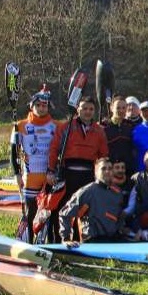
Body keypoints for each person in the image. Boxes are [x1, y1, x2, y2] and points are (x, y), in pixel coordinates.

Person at [47, 96, 109, 241]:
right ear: (77, 109)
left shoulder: (99, 130)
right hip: (67, 174)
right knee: (62, 208)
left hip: (88, 175)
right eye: (84, 108)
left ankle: (79, 239)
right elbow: (54, 149)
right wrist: (50, 170)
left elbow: (103, 155)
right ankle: (58, 239)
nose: (87, 112)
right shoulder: (66, 127)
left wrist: (103, 175)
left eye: (91, 109)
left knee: (84, 209)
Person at [11, 88, 57, 238]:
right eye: (38, 105)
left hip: (49, 175)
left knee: (50, 213)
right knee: (31, 213)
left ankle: (51, 242)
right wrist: (17, 173)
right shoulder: (21, 125)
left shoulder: (56, 126)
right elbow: (13, 152)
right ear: (32, 106)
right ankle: (29, 241)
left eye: (44, 105)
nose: (41, 108)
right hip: (30, 177)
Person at [58, 157, 126, 246]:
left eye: (110, 168)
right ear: (96, 172)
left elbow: (120, 218)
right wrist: (66, 239)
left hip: (114, 240)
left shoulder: (117, 193)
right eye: (103, 169)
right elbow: (65, 214)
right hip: (92, 242)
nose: (107, 171)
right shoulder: (88, 191)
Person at [103, 96, 136, 175]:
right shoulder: (103, 126)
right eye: (118, 108)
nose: (121, 110)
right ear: (111, 108)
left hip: (128, 169)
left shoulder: (131, 126)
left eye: (123, 108)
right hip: (110, 169)